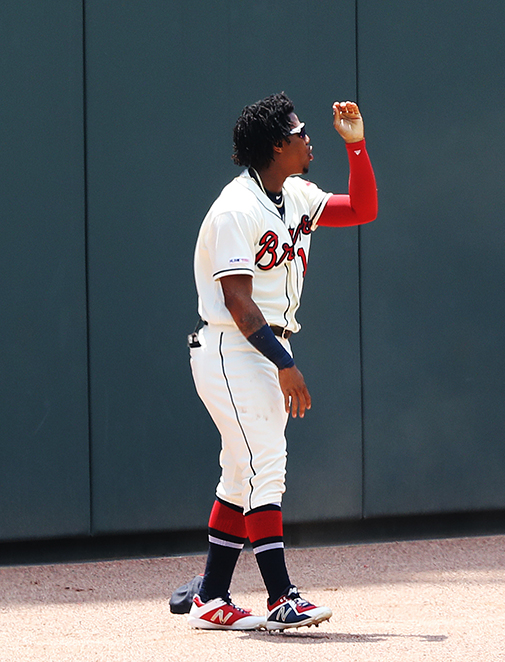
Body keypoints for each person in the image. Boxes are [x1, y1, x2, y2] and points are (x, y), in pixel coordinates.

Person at [181, 92, 377, 631]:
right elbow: (239, 303)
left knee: (242, 472)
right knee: (267, 462)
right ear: (276, 145)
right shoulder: (234, 209)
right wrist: (285, 362)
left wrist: (356, 146)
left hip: (259, 348)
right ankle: (281, 595)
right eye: (300, 131)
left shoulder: (291, 193)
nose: (309, 137)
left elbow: (362, 209)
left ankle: (211, 595)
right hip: (231, 348)